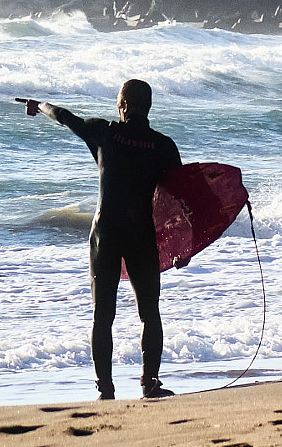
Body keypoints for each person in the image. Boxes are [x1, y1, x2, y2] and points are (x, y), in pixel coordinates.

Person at [18, 81, 183, 400]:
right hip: (141, 234)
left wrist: (38, 106)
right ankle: (150, 383)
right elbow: (178, 199)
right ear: (148, 107)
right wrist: (181, 246)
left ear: (122, 105)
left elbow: (66, 117)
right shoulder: (163, 146)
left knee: (102, 315)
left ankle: (105, 390)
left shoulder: (104, 133)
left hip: (105, 234)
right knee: (150, 312)